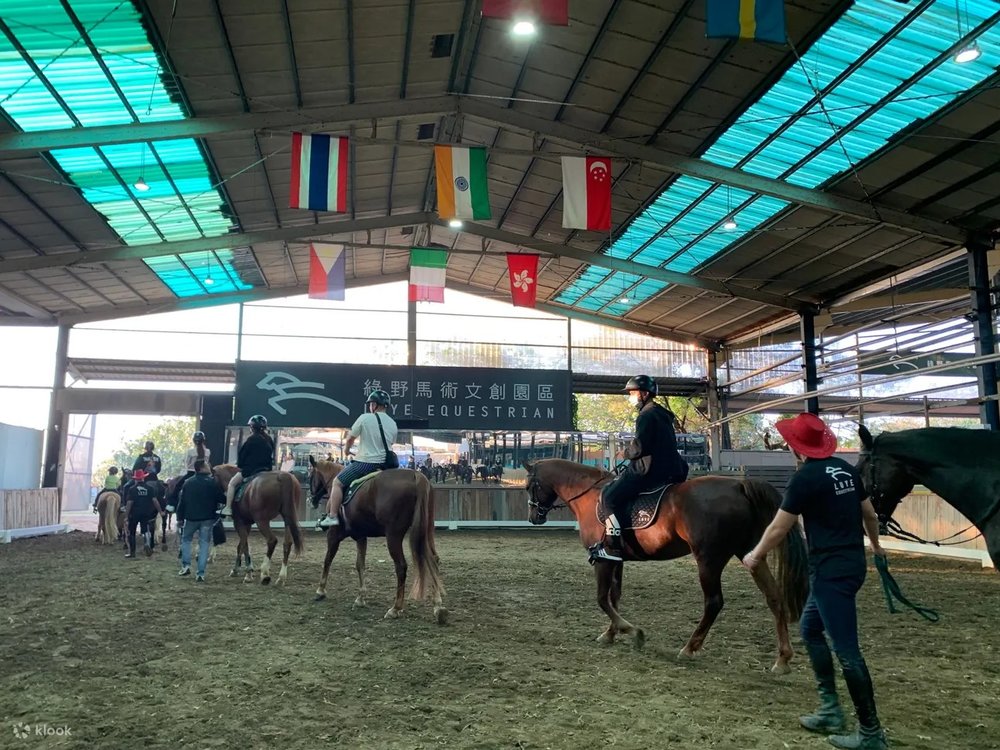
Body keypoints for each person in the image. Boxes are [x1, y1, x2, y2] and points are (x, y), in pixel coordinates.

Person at [742, 413, 888, 750]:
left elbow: (780, 527)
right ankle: (830, 710)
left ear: (797, 449)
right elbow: (868, 514)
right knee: (809, 630)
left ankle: (870, 733)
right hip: (851, 565)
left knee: (847, 652)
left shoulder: (805, 478)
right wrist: (876, 546)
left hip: (829, 571)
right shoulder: (847, 470)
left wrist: (757, 554)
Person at [589, 375, 689, 564]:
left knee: (609, 497)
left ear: (644, 393)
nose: (631, 397)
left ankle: (613, 546)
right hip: (674, 468)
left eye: (633, 393)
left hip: (650, 470)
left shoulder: (646, 415)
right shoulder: (662, 413)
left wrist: (624, 453)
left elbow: (640, 447)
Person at [317, 389, 397, 529]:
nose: (370, 407)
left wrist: (347, 450)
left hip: (365, 463)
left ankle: (332, 516)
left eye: (371, 404)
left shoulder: (364, 418)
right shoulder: (392, 423)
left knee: (337, 482)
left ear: (375, 405)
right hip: (386, 466)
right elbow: (390, 444)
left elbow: (350, 439)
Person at [176, 459, 225, 582]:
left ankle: (186, 566)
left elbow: (182, 502)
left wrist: (180, 518)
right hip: (207, 519)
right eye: (207, 465)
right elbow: (221, 499)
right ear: (202, 468)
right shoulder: (212, 483)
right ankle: (200, 573)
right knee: (204, 544)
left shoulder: (187, 482)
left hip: (190, 518)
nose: (210, 467)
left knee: (186, 540)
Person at [221, 415, 274, 517]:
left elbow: (242, 457)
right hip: (267, 470)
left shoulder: (251, 440)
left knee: (232, 483)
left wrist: (241, 465)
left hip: (251, 470)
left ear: (252, 428)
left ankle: (228, 508)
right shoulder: (269, 440)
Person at [122, 469, 162, 559]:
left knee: (132, 532)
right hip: (146, 512)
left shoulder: (132, 489)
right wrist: (160, 511)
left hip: (134, 513)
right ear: (143, 478)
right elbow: (155, 501)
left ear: (136, 479)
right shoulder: (150, 489)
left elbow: (129, 503)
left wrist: (126, 515)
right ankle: (147, 543)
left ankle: (132, 553)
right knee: (145, 529)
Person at [168, 431, 211, 512]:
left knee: (177, 486)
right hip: (205, 474)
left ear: (194, 441)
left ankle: (172, 505)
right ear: (203, 440)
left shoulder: (190, 451)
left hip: (191, 473)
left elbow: (187, 464)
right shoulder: (208, 451)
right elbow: (207, 463)